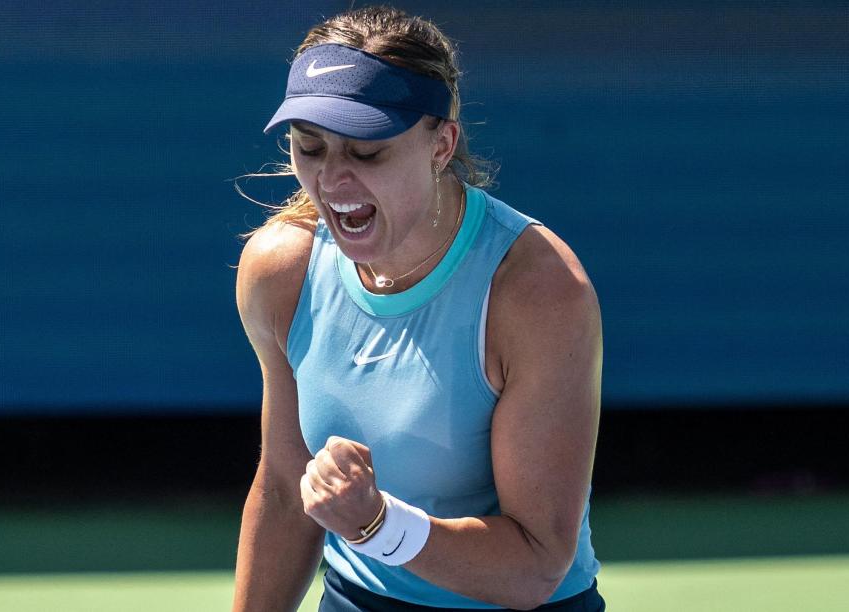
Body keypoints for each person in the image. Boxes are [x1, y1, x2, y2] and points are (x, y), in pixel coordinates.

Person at [231, 6, 605, 611]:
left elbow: (536, 568)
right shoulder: (281, 270)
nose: (331, 180)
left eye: (367, 153)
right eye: (311, 148)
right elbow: (283, 489)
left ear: (442, 144)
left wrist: (378, 526)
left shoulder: (539, 291)